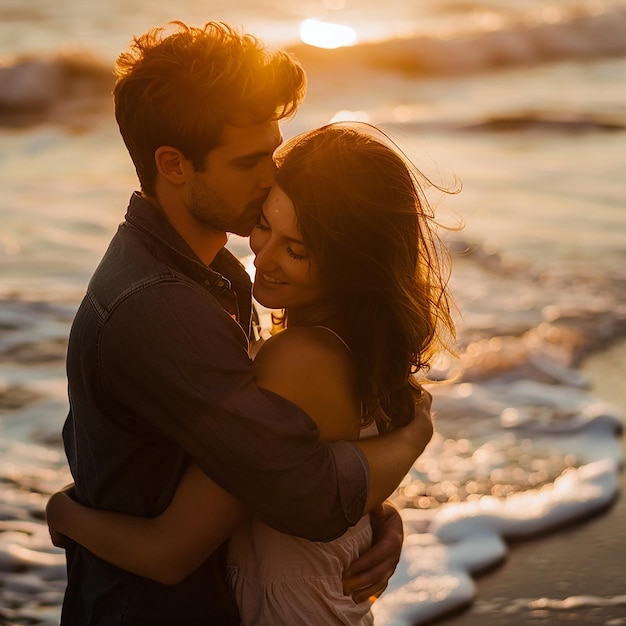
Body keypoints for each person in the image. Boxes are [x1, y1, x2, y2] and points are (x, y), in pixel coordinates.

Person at [53, 21, 437, 626]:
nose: (271, 177)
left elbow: (281, 461)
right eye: (250, 160)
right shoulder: (157, 306)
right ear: (174, 165)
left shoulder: (219, 273)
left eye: (273, 151)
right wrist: (413, 438)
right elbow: (307, 492)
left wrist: (372, 516)